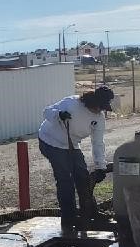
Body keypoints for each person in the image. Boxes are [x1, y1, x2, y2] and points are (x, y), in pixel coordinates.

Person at [37, 86, 115, 232]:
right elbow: (46, 112)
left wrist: (100, 167)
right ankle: (69, 218)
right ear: (93, 101)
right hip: (50, 141)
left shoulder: (99, 119)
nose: (101, 111)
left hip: (71, 144)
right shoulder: (72, 103)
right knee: (65, 179)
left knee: (83, 177)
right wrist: (58, 115)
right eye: (100, 107)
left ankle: (91, 213)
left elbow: (98, 143)